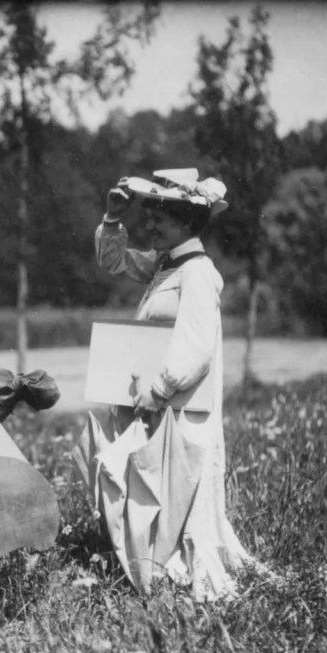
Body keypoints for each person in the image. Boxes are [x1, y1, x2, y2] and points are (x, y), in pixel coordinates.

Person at [91, 168, 256, 601]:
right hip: (161, 404)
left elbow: (196, 346)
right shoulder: (166, 265)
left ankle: (178, 571)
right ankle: (158, 564)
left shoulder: (197, 271)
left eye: (158, 218)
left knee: (182, 485)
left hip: (182, 403)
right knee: (160, 482)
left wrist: (161, 389)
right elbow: (114, 261)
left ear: (186, 221)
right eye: (149, 216)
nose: (148, 225)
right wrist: (113, 219)